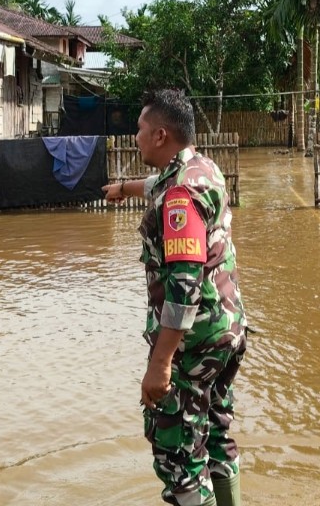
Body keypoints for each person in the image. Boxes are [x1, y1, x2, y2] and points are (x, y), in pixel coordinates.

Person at [102, 89, 247, 506]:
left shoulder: (179, 198)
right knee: (216, 434)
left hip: (193, 344)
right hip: (227, 334)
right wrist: (126, 188)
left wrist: (160, 364)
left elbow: (183, 286)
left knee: (179, 454)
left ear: (161, 135)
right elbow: (160, 183)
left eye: (141, 130)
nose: (136, 137)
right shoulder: (204, 169)